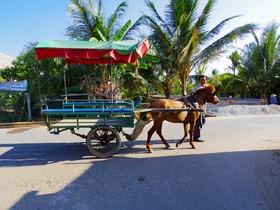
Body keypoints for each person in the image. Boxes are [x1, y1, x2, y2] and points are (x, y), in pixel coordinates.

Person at [191, 75, 208, 142]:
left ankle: (194, 132)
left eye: (204, 80)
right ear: (199, 81)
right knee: (199, 122)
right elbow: (192, 98)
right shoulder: (196, 89)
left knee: (203, 120)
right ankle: (196, 137)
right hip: (198, 107)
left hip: (204, 107)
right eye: (201, 80)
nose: (203, 81)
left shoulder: (207, 87)